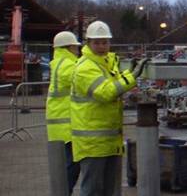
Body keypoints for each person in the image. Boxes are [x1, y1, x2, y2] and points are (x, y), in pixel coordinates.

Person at [70, 21, 148, 196]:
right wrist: (132, 77)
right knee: (92, 190)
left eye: (105, 42)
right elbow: (105, 93)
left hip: (109, 141)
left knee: (110, 190)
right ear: (88, 43)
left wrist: (129, 73)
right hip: (92, 143)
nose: (101, 46)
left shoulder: (105, 64)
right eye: (97, 42)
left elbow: (113, 83)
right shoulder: (85, 67)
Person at [46, 31, 82, 194]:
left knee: (67, 163)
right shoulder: (68, 65)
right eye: (75, 47)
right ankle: (64, 192)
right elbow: (83, 82)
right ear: (68, 47)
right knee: (73, 162)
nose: (77, 50)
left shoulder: (58, 62)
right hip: (66, 123)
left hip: (59, 121)